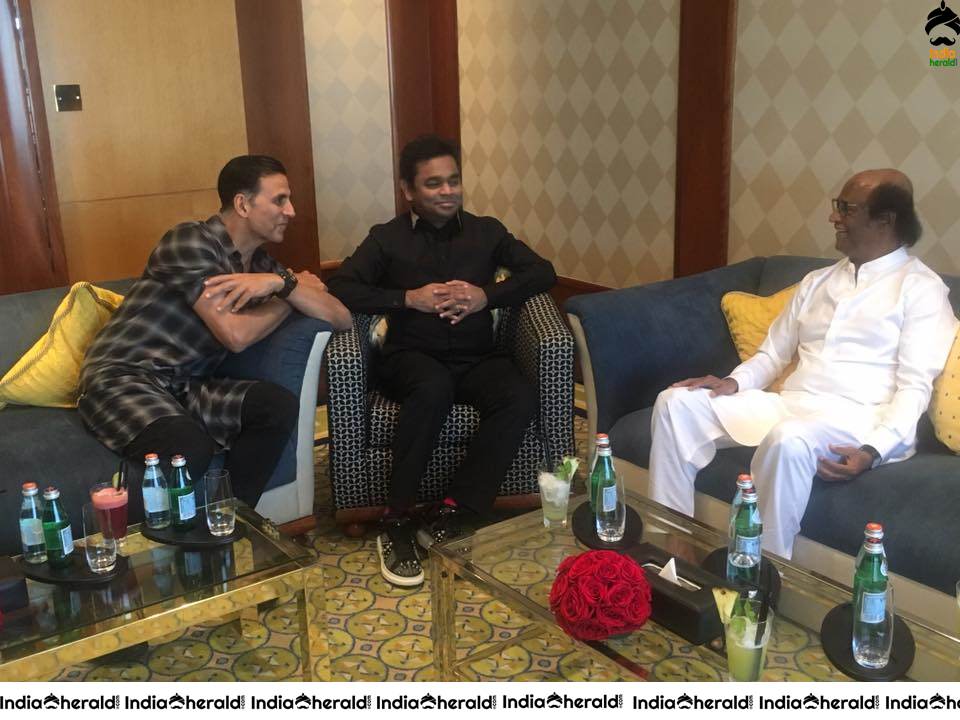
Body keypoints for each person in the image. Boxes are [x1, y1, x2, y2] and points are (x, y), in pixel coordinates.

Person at [649, 169, 958, 559]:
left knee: (789, 438)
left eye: (846, 208)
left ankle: (760, 573)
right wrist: (734, 383)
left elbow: (915, 389)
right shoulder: (817, 281)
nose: (834, 217)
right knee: (675, 403)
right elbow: (772, 354)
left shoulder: (921, 289)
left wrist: (872, 450)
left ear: (885, 220)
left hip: (859, 420)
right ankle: (675, 551)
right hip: (790, 406)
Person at [328, 135, 556, 586]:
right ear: (408, 190)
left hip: (476, 357)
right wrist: (406, 298)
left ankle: (456, 510)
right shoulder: (386, 238)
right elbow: (342, 286)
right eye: (434, 184)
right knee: (432, 388)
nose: (448, 191)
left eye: (454, 180)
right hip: (411, 358)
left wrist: (485, 295)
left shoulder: (487, 231)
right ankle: (396, 520)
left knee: (517, 396)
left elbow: (542, 271)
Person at [79, 155, 351, 509]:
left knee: (275, 407)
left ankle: (232, 517)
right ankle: (162, 535)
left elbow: (342, 317)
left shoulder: (262, 266)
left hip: (185, 385)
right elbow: (234, 336)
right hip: (123, 376)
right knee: (187, 447)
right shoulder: (189, 241)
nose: (291, 211)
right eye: (280, 200)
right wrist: (287, 292)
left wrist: (278, 283)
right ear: (242, 204)